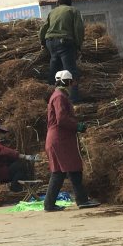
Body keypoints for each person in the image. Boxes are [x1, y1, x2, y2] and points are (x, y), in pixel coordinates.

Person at [44, 70, 100, 212]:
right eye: (70, 82)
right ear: (67, 82)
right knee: (65, 171)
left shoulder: (58, 95)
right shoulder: (59, 97)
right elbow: (62, 119)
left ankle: (56, 203)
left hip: (58, 138)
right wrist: (78, 126)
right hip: (60, 139)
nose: (72, 84)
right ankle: (79, 201)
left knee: (68, 170)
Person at [38, 0, 84, 103]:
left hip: (50, 42)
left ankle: (50, 97)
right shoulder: (73, 11)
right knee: (70, 71)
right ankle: (73, 100)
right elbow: (78, 29)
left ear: (58, 3)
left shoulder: (52, 12)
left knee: (54, 70)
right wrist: (78, 45)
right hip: (65, 43)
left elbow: (43, 29)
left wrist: (42, 42)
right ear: (70, 3)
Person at [0, 119, 37, 192]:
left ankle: (21, 188)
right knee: (21, 165)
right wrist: (24, 156)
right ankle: (16, 190)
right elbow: (2, 150)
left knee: (15, 161)